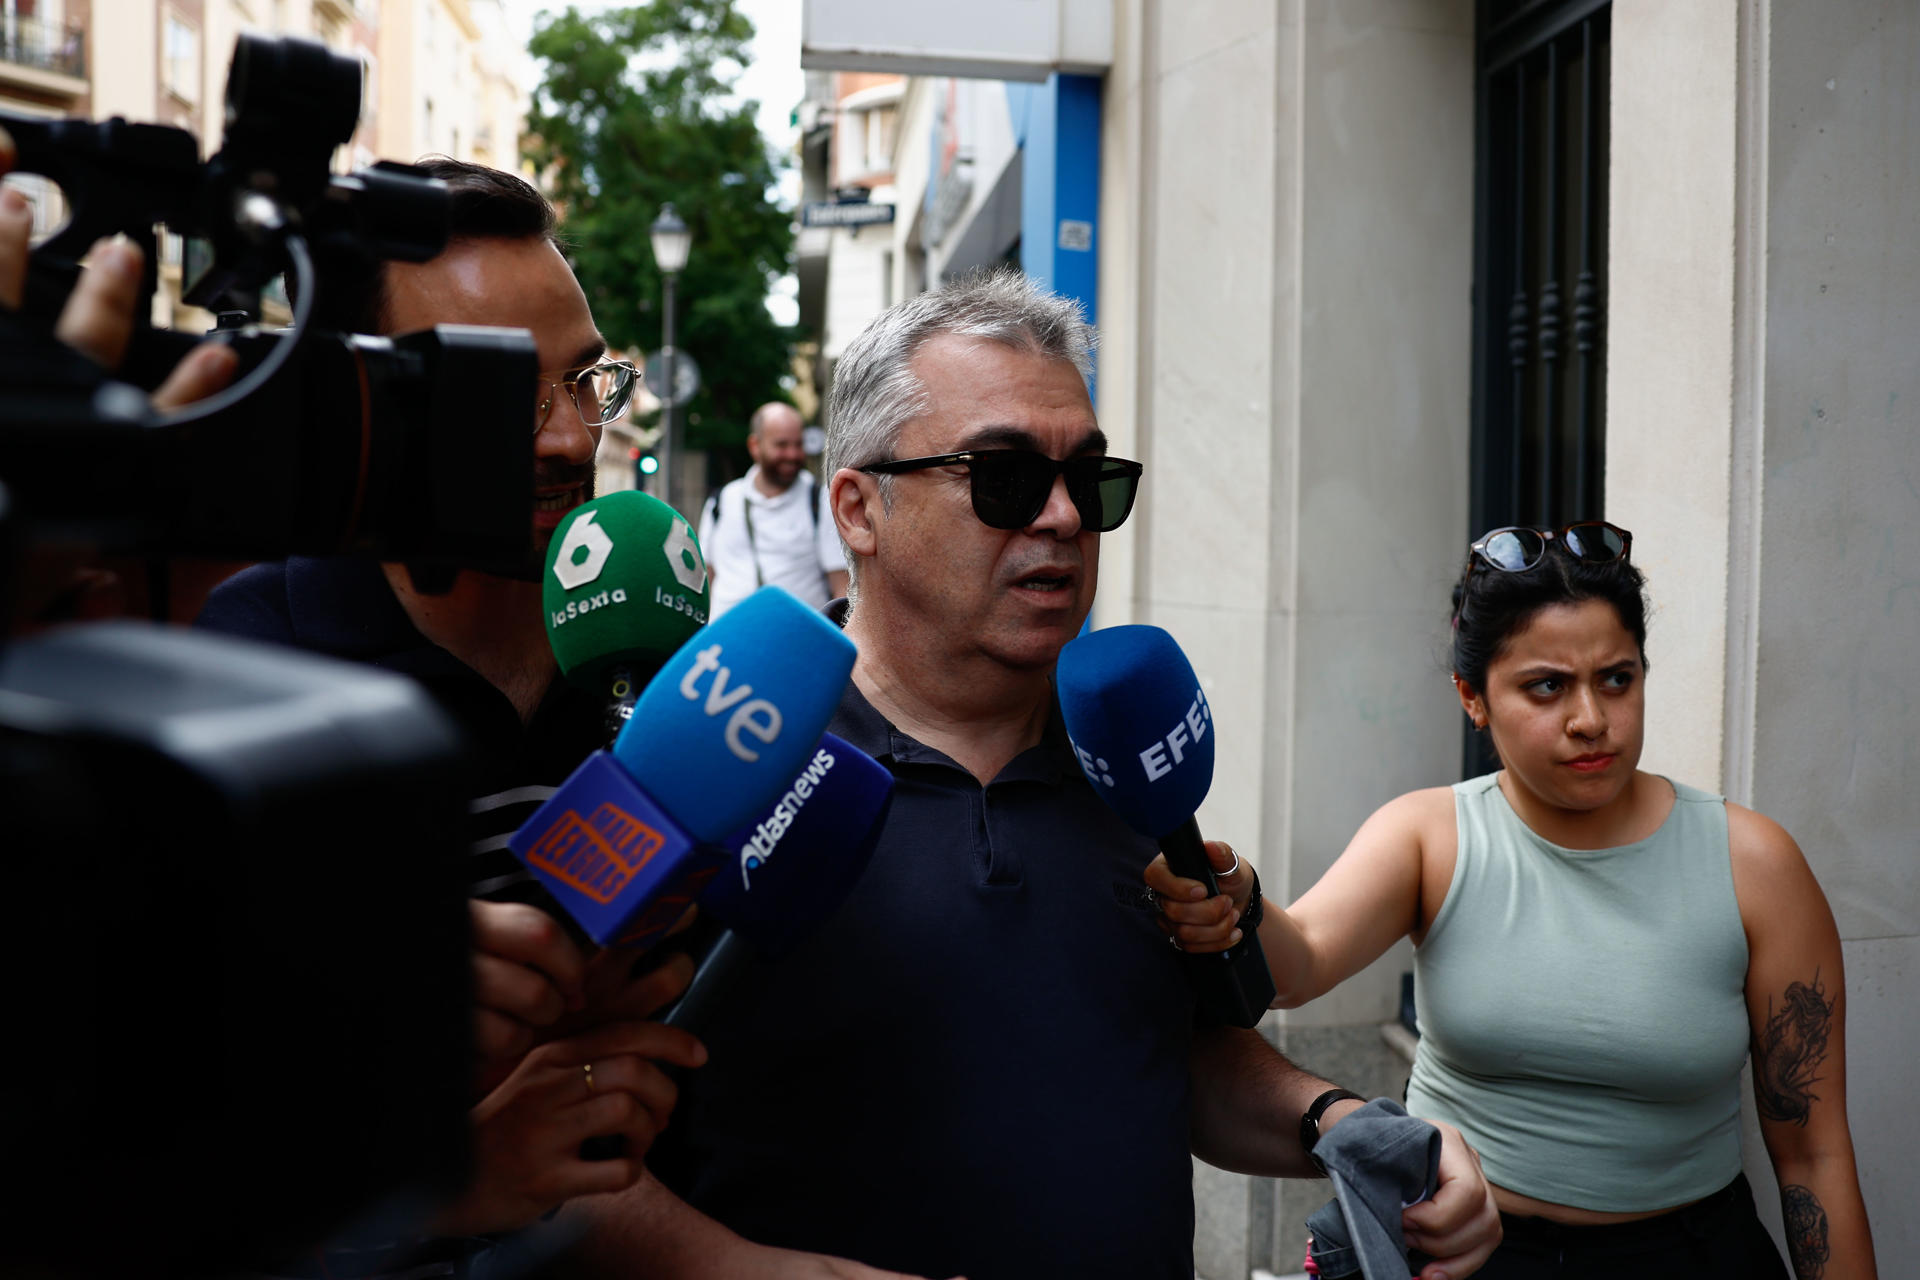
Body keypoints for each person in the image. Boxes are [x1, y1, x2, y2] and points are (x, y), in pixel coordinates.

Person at [568, 270, 1501, 1280]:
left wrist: (1341, 1119)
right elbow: (552, 1150)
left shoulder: (1124, 755)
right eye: (1004, 478)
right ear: (858, 508)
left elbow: (1165, 1053)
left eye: (1089, 481)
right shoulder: (716, 751)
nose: (1061, 517)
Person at [194, 159, 705, 1262]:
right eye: (497, 393)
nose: (571, 439)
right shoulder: (244, 677)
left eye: (583, 382)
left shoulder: (661, 660)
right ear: (359, 409)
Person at [1153, 521, 1880, 1279]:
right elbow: (1300, 963)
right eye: (1547, 686)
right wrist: (1236, 888)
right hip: (1458, 1252)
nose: (1590, 718)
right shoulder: (1431, 837)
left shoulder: (1754, 864)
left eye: (1617, 679)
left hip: (1690, 1254)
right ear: (1473, 698)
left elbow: (1814, 1154)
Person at [697, 400, 848, 616]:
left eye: (798, 444)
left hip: (797, 644)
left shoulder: (820, 500)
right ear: (754, 446)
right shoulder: (721, 502)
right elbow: (705, 580)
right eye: (782, 445)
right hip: (727, 644)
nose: (793, 454)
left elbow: (842, 586)